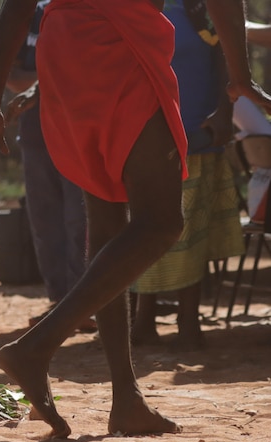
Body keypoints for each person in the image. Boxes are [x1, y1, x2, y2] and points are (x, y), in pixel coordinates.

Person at [0, 0, 271, 438]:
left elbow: (17, 6)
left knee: (107, 228)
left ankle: (127, 399)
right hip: (121, 49)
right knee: (160, 222)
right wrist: (240, 76)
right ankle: (37, 347)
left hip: (65, 52)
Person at [131, 0, 246, 351]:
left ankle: (188, 320)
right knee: (144, 229)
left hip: (199, 131)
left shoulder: (202, 8)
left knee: (192, 229)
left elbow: (227, 56)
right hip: (148, 133)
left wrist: (225, 112)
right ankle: (143, 319)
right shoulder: (132, 8)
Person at [4, 0, 92, 331]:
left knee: (79, 217)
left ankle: (83, 304)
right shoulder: (31, 13)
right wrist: (57, 73)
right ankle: (59, 302)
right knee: (45, 219)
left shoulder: (85, 9)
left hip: (78, 130)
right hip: (35, 131)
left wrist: (41, 77)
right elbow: (12, 78)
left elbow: (89, 69)